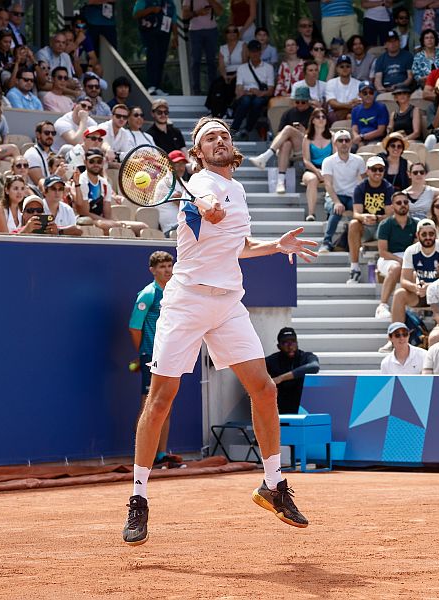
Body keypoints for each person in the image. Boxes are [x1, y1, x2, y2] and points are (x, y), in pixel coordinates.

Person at [121, 117, 316, 545]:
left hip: (228, 303)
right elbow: (204, 201)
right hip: (187, 301)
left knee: (264, 389)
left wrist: (276, 246)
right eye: (209, 137)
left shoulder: (239, 190)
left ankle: (273, 485)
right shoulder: (199, 183)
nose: (219, 139)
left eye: (224, 134)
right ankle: (138, 498)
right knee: (160, 399)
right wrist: (207, 206)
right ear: (198, 153)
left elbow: (239, 246)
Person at [388, 219, 439, 332]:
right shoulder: (411, 251)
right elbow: (404, 280)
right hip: (421, 294)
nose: (428, 237)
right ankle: (396, 335)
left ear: (436, 234)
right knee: (399, 294)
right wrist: (416, 288)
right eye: (424, 234)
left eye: (431, 234)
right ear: (417, 235)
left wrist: (429, 287)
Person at [347, 156, 393, 283]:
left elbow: (389, 214)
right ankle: (354, 267)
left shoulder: (388, 188)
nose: (377, 172)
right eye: (374, 169)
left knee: (391, 224)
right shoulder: (360, 188)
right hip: (365, 227)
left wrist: (377, 218)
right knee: (353, 224)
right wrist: (364, 217)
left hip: (381, 226)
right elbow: (356, 213)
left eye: (380, 169)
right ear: (367, 171)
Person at [319, 130, 365, 253]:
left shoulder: (359, 160)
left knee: (360, 212)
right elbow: (328, 184)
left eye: (347, 140)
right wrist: (337, 202)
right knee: (337, 209)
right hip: (334, 195)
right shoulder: (328, 161)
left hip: (352, 196)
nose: (344, 143)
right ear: (335, 143)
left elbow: (364, 181)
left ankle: (359, 242)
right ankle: (326, 242)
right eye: (340, 140)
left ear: (350, 143)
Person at [375, 191, 419, 319]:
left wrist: (406, 260)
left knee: (415, 272)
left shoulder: (416, 224)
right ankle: (382, 305)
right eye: (399, 203)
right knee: (396, 268)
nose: (403, 205)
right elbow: (382, 252)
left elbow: (417, 247)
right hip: (389, 257)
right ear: (392, 206)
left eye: (405, 202)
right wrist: (399, 259)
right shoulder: (385, 224)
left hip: (409, 257)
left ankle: (412, 306)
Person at [265, 327, 320, 415]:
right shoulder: (272, 361)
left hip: (302, 408)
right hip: (279, 410)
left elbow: (314, 367)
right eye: (285, 343)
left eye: (293, 341)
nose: (290, 346)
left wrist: (281, 378)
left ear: (297, 343)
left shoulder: (305, 357)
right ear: (279, 346)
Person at [230, 39, 273, 139]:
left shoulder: (268, 68)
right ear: (248, 53)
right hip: (246, 95)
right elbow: (238, 90)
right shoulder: (242, 68)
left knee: (257, 102)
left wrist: (259, 93)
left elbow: (270, 90)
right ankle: (234, 129)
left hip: (261, 95)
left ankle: (247, 129)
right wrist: (249, 92)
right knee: (246, 100)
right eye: (252, 51)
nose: (255, 54)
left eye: (257, 51)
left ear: (260, 52)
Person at [136, 0, 180, 96]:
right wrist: (151, 10)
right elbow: (136, 14)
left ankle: (158, 86)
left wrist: (175, 36)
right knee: (153, 56)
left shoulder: (170, 3)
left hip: (164, 33)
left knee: (161, 58)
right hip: (149, 32)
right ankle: (151, 85)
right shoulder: (143, 1)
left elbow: (173, 20)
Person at [351, 81, 388, 148]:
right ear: (359, 94)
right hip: (360, 139)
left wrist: (362, 137)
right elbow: (354, 129)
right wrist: (358, 140)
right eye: (365, 93)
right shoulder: (355, 110)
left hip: (376, 139)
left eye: (371, 92)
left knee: (370, 148)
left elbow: (380, 131)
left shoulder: (381, 107)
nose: (368, 95)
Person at [325, 55, 360, 123]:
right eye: (342, 66)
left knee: (352, 115)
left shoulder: (359, 84)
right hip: (335, 113)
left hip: (353, 112)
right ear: (337, 69)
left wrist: (344, 106)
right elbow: (332, 103)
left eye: (347, 66)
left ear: (351, 68)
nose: (345, 69)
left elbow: (358, 103)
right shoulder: (331, 83)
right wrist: (348, 106)